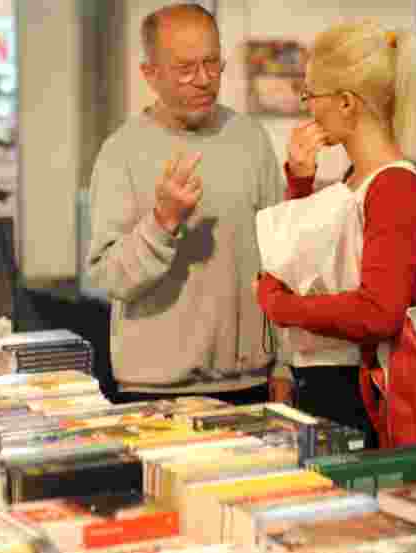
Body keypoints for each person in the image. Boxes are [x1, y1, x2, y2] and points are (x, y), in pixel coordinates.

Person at [87, 3, 286, 405]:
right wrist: (163, 222)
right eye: (185, 69)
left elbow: (280, 262)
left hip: (250, 382)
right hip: (153, 390)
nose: (203, 80)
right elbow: (110, 278)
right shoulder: (120, 152)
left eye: (213, 64)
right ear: (150, 74)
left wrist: (284, 364)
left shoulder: (250, 140)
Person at [254, 21, 416, 448]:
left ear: (347, 102)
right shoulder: (360, 178)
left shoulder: (393, 188)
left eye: (310, 96)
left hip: (369, 403)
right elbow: (308, 262)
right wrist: (300, 183)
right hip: (344, 391)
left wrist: (285, 307)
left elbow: (378, 312)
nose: (308, 109)